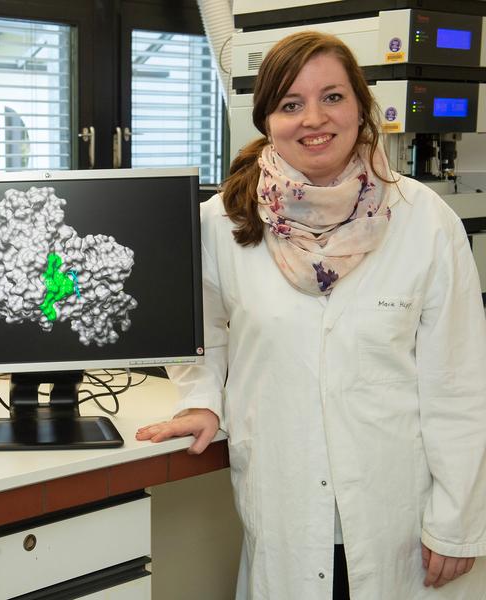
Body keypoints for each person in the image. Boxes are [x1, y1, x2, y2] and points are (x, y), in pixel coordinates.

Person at [137, 31, 486, 600]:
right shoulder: (221, 223)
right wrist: (201, 400)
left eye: (332, 97)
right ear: (267, 120)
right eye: (290, 104)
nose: (313, 119)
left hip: (400, 512)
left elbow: (459, 382)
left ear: (360, 107)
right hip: (284, 501)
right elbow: (198, 332)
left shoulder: (425, 221)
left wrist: (457, 522)